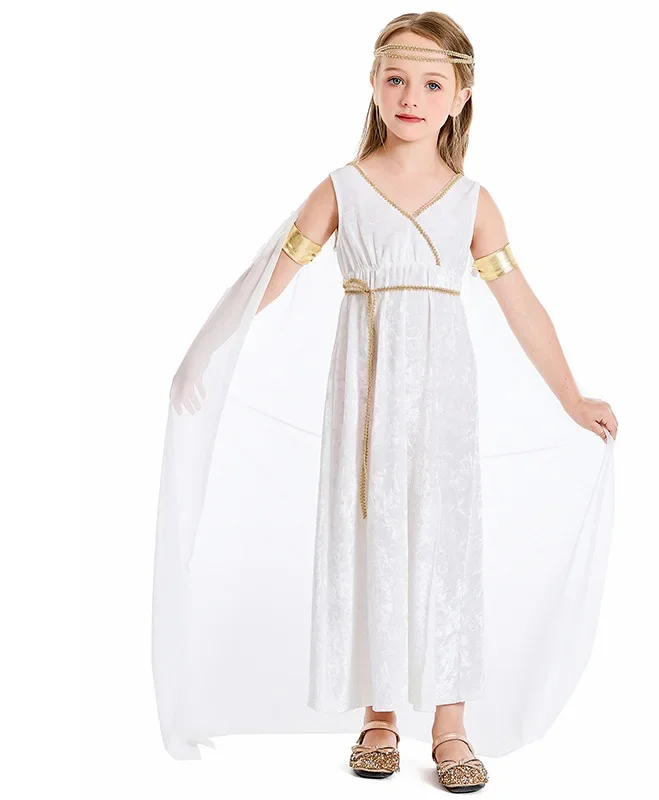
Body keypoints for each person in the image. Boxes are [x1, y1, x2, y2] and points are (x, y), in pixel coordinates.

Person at [153, 12, 618, 793]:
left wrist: (571, 396)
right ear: (373, 83)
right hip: (365, 401)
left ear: (460, 97)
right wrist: (208, 348)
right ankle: (378, 715)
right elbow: (270, 276)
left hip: (443, 401)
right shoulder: (343, 188)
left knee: (444, 540)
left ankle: (450, 723)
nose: (411, 97)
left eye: (432, 84)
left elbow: (522, 306)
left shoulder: (473, 202)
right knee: (369, 533)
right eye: (397, 79)